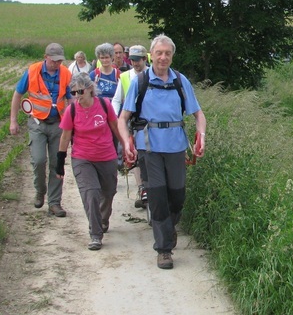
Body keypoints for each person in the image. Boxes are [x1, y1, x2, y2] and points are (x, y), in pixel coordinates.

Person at [118, 34, 206, 270]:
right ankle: (164, 249)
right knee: (157, 197)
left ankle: (168, 229)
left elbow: (198, 114)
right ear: (151, 54)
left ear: (172, 56)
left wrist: (201, 137)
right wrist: (127, 142)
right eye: (159, 53)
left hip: (176, 147)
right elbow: (123, 117)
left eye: (167, 53)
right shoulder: (140, 81)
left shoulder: (180, 81)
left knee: (177, 197)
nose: (163, 57)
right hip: (149, 147)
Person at [56, 73, 121, 250]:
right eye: (73, 92)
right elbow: (65, 136)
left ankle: (102, 219)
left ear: (90, 89)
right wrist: (60, 162)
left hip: (106, 156)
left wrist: (126, 147)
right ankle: (95, 234)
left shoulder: (104, 105)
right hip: (82, 158)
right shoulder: (72, 110)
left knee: (108, 192)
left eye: (80, 92)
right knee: (91, 193)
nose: (77, 96)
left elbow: (115, 128)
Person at [9, 43, 72, 217]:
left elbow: (71, 99)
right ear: (46, 57)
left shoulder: (66, 73)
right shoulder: (32, 71)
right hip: (37, 123)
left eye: (59, 61)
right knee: (38, 161)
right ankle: (40, 190)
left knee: (56, 163)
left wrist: (73, 123)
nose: (57, 64)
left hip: (58, 124)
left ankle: (54, 203)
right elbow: (17, 95)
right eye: (54, 61)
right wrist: (13, 121)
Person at [112, 45, 149, 208]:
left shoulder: (152, 75)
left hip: (148, 121)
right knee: (135, 155)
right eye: (132, 60)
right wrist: (114, 116)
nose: (134, 63)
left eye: (137, 60)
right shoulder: (125, 76)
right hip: (131, 120)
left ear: (144, 59)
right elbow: (117, 99)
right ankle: (142, 188)